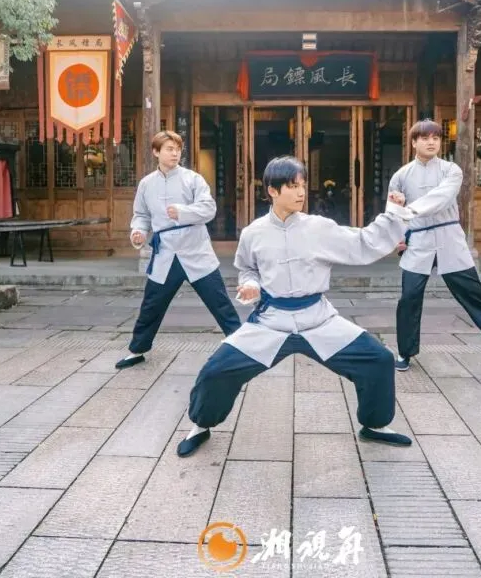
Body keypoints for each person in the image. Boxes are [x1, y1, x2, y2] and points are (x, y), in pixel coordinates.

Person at [177, 156, 419, 458]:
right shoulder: (253, 233)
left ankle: (375, 424)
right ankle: (201, 424)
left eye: (302, 185)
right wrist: (250, 284)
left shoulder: (319, 228)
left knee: (378, 360)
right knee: (216, 370)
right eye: (292, 186)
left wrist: (393, 214)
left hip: (318, 319)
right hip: (271, 322)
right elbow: (247, 269)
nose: (301, 192)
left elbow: (363, 243)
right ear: (272, 190)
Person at [390, 120, 481, 371]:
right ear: (414, 142)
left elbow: (442, 198)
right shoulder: (401, 175)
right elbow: (394, 211)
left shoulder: (451, 170)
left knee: (473, 293)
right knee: (409, 298)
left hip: (449, 238)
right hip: (418, 240)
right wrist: (398, 234)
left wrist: (410, 209)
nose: (431, 142)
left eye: (435, 138)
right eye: (425, 138)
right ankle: (404, 352)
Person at [115, 130, 242, 369]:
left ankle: (241, 344)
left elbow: (209, 209)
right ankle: (137, 350)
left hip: (195, 250)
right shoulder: (146, 184)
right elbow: (141, 215)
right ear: (156, 152)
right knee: (152, 304)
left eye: (178, 149)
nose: (175, 154)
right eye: (169, 149)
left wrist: (183, 212)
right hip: (165, 253)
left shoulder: (193, 179)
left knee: (219, 301)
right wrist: (138, 232)